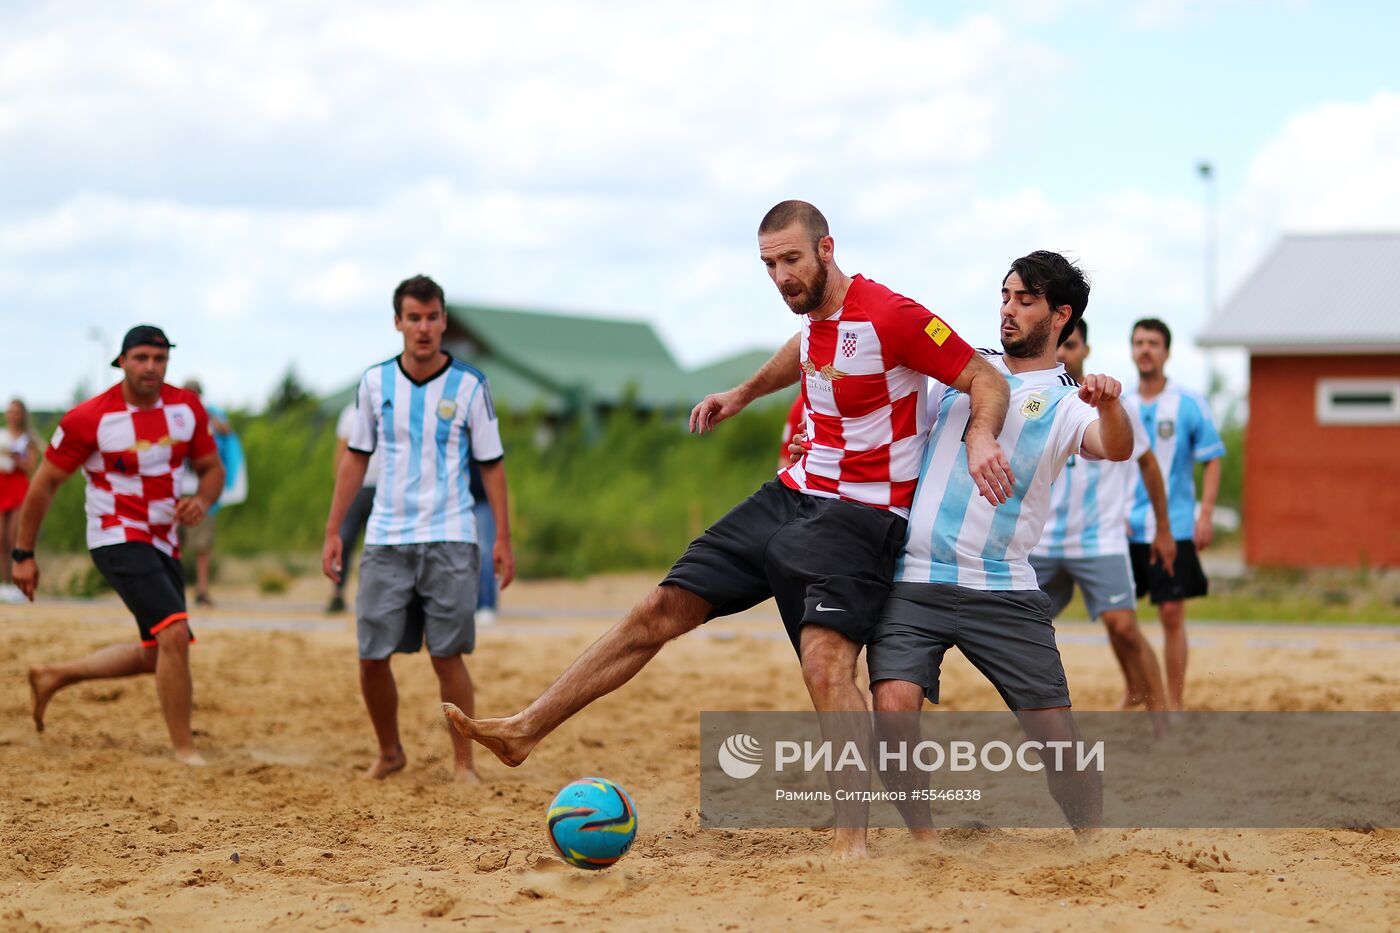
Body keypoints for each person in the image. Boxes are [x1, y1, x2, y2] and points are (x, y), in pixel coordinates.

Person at [445, 200, 1012, 859]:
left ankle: (851, 844)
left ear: (828, 249)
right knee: (660, 606)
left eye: (792, 260)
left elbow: (983, 377)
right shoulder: (816, 321)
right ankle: (523, 729)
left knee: (827, 665)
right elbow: (804, 350)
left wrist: (978, 434)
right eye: (769, 265)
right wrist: (740, 394)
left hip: (862, 516)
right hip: (790, 495)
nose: (781, 276)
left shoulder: (892, 316)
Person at [864, 251, 1133, 840]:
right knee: (892, 710)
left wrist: (1112, 404)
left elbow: (1114, 447)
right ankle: (925, 843)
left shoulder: (1066, 402)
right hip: (916, 577)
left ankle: (1092, 841)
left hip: (1003, 586)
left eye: (1026, 300)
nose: (1009, 310)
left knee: (1060, 745)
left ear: (1061, 316)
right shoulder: (961, 372)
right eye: (1006, 296)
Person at [321, 274, 515, 782]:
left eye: (432, 318)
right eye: (414, 318)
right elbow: (354, 460)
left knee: (447, 654)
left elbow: (492, 463)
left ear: (444, 321)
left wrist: (503, 539)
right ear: (398, 323)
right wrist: (334, 530)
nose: (423, 328)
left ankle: (463, 763)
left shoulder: (471, 384)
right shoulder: (373, 383)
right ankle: (389, 752)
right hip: (386, 538)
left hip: (451, 535)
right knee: (371, 655)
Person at [15, 326, 224, 766]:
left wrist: (202, 500)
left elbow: (211, 469)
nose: (151, 366)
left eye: (160, 358)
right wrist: (23, 554)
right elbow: (44, 485)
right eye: (142, 357)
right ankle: (185, 750)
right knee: (174, 633)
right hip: (115, 535)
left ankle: (54, 675)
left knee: (159, 651)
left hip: (164, 540)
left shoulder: (186, 409)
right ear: (122, 361)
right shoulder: (88, 418)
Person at [1029, 319, 1175, 720]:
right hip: (1041, 540)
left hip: (1099, 539)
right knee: (1020, 632)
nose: (1062, 353)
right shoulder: (1036, 400)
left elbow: (1147, 464)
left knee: (1124, 628)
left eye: (1071, 345)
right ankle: (1038, 721)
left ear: (1086, 350)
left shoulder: (1110, 405)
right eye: (1058, 345)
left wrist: (1162, 528)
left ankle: (1163, 720)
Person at [1124, 318, 1226, 711]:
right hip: (1128, 525)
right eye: (1138, 342)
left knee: (1170, 613)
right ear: (1132, 350)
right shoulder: (1122, 403)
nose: (1145, 349)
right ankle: (1138, 690)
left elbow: (1212, 459)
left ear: (1166, 352)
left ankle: (1176, 703)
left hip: (1177, 523)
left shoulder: (1189, 403)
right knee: (1122, 619)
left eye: (1152, 343)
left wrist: (1206, 514)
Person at [177, 379, 233, 608]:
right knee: (172, 544)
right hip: (176, 489)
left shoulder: (209, 416)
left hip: (202, 490)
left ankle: (201, 590)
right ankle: (174, 590)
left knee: (202, 545)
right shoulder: (173, 415)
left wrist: (206, 416)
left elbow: (225, 432)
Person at [325, 400, 383, 614]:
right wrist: (340, 487)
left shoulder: (392, 408)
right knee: (345, 540)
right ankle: (338, 593)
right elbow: (341, 451)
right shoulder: (350, 413)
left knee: (379, 545)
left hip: (384, 485)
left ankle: (376, 597)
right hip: (357, 488)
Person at [0, 398, 41, 604]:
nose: (13, 415)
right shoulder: (1, 435)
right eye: (10, 411)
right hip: (1, 486)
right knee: (0, 539)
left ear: (22, 414)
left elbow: (30, 466)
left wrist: (14, 457)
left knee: (12, 538)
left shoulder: (27, 440)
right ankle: (4, 584)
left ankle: (18, 586)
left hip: (18, 489)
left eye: (16, 411)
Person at [468, 459, 499, 626]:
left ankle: (486, 603)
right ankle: (469, 603)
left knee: (485, 550)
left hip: (482, 497)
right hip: (454, 499)